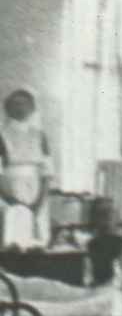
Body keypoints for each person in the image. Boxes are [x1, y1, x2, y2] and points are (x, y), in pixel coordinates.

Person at [0, 88, 54, 246]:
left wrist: (40, 199)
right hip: (8, 191)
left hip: (36, 190)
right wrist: (9, 199)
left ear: (32, 108)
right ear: (7, 108)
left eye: (24, 104)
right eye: (15, 104)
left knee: (36, 237)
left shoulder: (39, 135)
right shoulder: (2, 135)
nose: (20, 108)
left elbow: (47, 171)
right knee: (11, 235)